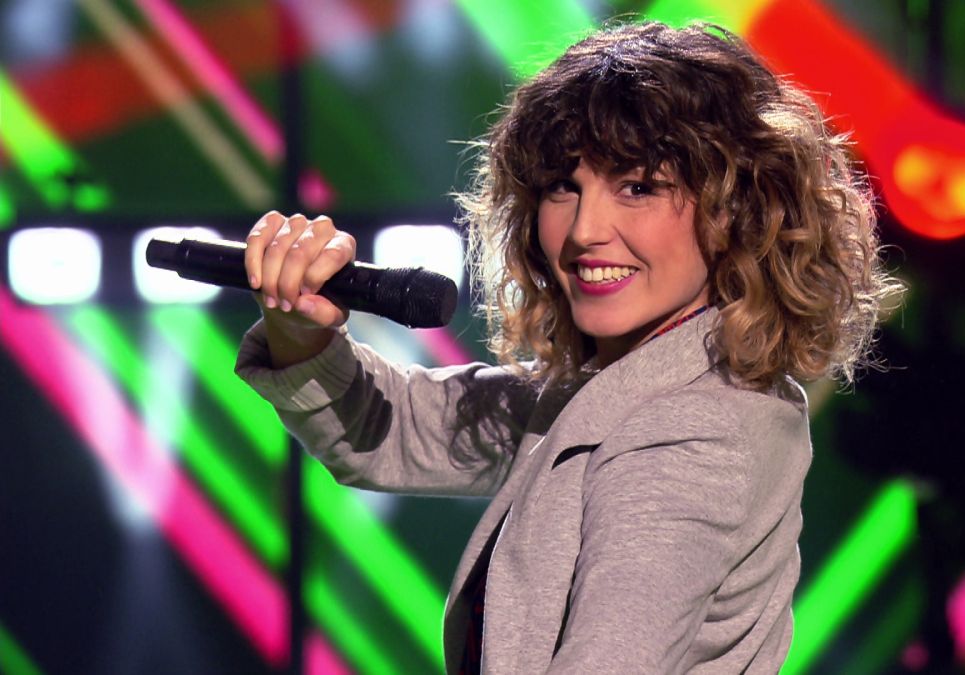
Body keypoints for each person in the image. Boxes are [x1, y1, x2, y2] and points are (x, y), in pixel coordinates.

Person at [236, 21, 899, 674]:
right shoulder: (632, 385)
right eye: (562, 186)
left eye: (637, 187)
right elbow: (394, 432)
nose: (584, 231)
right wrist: (300, 329)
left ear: (733, 210)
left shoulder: (688, 433)